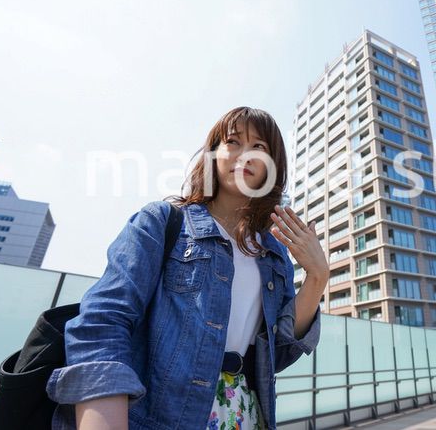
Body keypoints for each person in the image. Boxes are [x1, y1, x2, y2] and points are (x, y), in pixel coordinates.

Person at [46, 106, 329, 429]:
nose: (245, 154)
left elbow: (275, 357)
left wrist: (317, 277)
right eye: (233, 141)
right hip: (159, 414)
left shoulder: (273, 253)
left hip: (246, 415)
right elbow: (103, 321)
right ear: (213, 155)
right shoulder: (163, 222)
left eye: (259, 147)